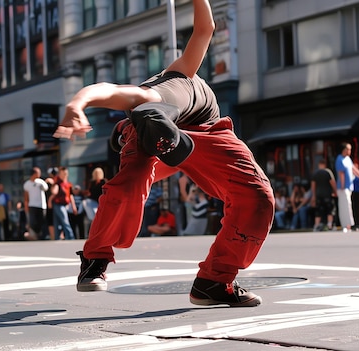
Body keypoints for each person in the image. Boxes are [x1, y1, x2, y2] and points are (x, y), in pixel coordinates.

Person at [54, 0, 274, 307]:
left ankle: (214, 281)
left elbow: (206, 28)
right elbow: (101, 88)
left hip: (210, 132)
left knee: (257, 197)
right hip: (148, 133)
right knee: (129, 184)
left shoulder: (177, 75)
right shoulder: (141, 103)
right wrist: (75, 105)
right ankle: (95, 259)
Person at [335, 142, 359, 233]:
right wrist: (342, 185)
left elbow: (354, 169)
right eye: (348, 149)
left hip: (349, 186)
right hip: (343, 187)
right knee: (344, 206)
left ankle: (349, 225)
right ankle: (345, 225)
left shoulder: (348, 159)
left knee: (348, 205)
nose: (349, 151)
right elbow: (341, 173)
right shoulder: (340, 159)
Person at [50, 166, 77, 240]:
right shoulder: (57, 182)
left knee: (58, 222)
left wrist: (73, 206)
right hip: (58, 204)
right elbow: (54, 192)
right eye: (62, 173)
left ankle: (57, 237)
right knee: (64, 221)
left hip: (65, 204)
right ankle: (70, 237)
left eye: (65, 173)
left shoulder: (68, 184)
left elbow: (70, 195)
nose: (64, 175)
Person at [310, 159, 337, 231]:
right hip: (327, 194)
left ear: (319, 165)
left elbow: (313, 186)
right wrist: (335, 192)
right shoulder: (328, 172)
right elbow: (333, 183)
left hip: (318, 195)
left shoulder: (315, 173)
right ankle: (329, 225)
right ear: (325, 164)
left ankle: (316, 225)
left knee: (318, 211)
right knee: (330, 210)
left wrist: (313, 196)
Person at [23, 167, 48, 240]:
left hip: (42, 205)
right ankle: (35, 236)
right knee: (33, 222)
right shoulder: (27, 184)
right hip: (32, 205)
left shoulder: (41, 182)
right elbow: (26, 197)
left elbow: (46, 188)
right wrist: (26, 207)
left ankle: (42, 236)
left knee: (42, 221)